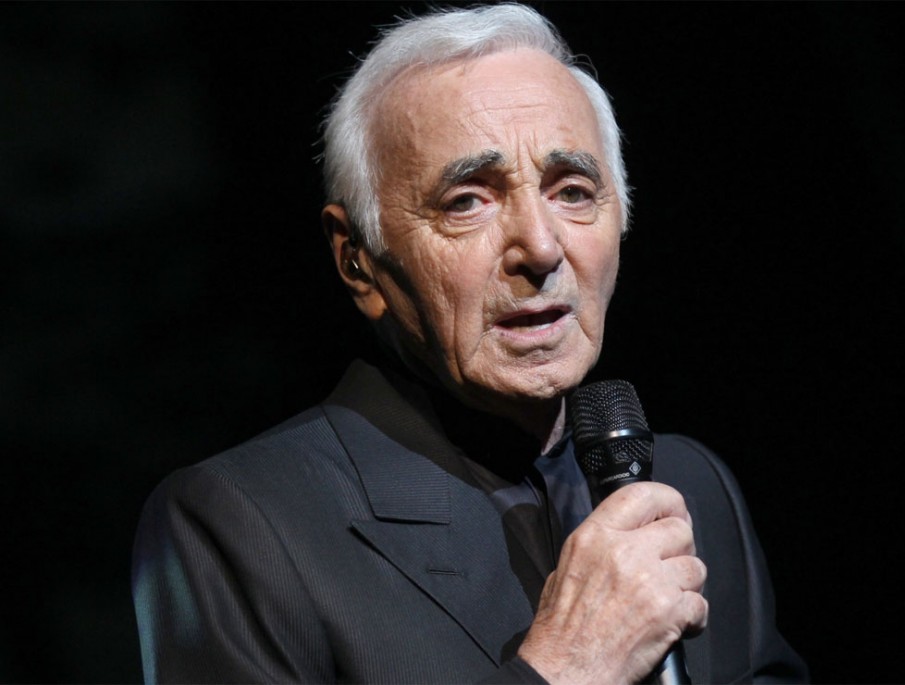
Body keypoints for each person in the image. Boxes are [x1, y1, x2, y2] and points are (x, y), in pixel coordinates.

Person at [131, 5, 807, 683]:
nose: (540, 248)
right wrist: (567, 668)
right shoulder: (246, 522)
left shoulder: (689, 484)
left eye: (573, 192)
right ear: (357, 260)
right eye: (466, 202)